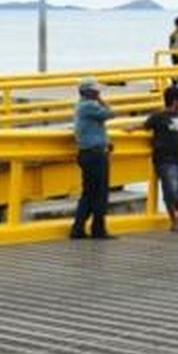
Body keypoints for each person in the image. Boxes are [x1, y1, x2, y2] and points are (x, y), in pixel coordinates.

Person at [143, 85, 178, 232]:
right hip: (165, 160)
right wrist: (130, 129)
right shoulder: (158, 116)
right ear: (175, 101)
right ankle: (174, 221)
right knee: (171, 190)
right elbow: (145, 126)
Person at [70, 76, 116, 240]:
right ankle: (97, 228)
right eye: (95, 89)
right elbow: (111, 113)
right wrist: (101, 100)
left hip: (89, 153)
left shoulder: (83, 106)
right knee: (99, 192)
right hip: (94, 154)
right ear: (88, 91)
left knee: (90, 192)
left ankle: (79, 228)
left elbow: (97, 128)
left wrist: (107, 141)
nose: (98, 91)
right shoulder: (89, 106)